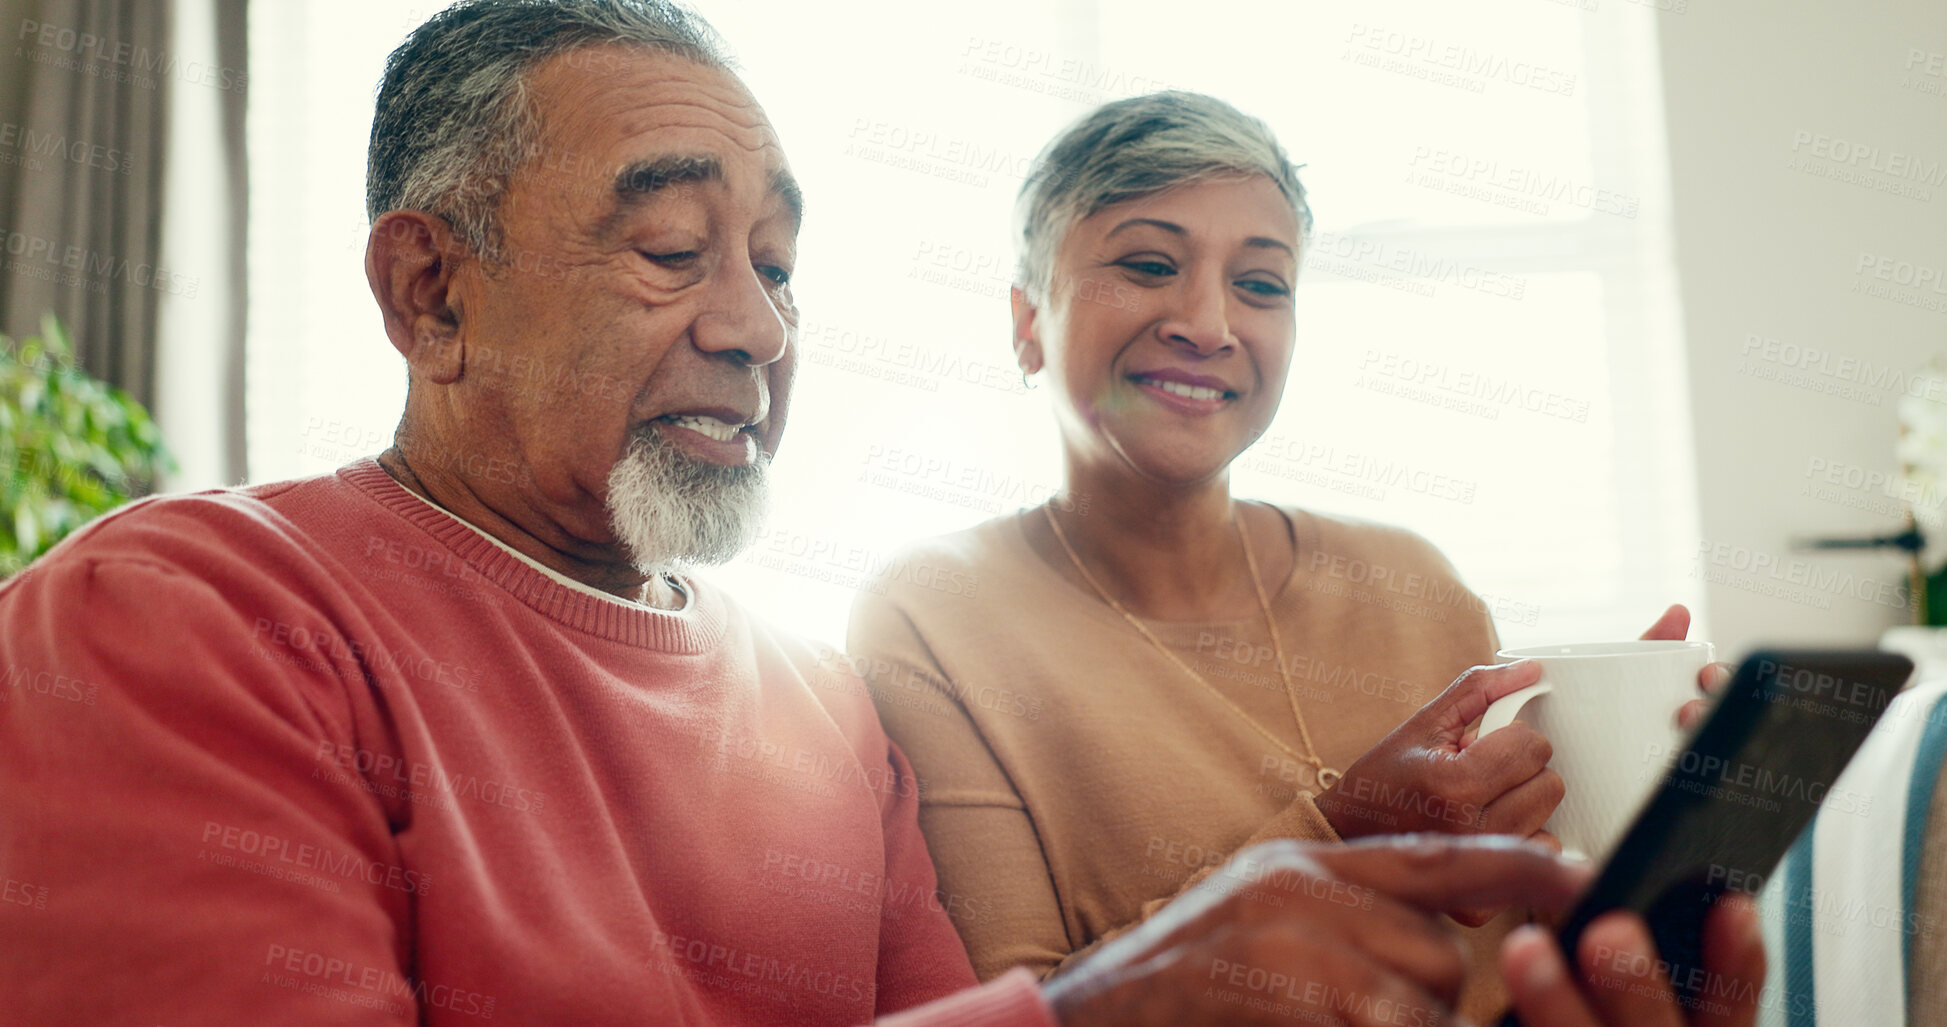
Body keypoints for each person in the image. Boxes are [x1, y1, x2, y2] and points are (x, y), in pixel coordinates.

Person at [0, 2, 1760, 1025]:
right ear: (430, 291)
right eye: (675, 250)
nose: (756, 324)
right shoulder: (189, 614)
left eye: (774, 264)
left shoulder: (814, 700)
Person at [846, 90, 1720, 1022]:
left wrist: (1657, 814)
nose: (1207, 323)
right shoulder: (932, 615)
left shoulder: (1415, 583)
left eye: (1260, 284)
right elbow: (1022, 1011)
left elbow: (1526, 951)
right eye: (1148, 264)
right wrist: (1342, 834)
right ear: (1027, 321)